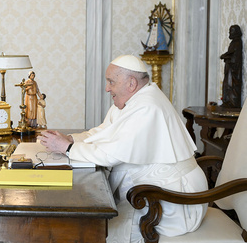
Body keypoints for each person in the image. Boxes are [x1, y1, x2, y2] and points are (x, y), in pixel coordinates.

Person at [38, 55, 208, 243]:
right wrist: (70, 139)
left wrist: (68, 148)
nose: (107, 88)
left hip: (174, 202)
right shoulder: (130, 102)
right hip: (154, 192)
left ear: (131, 83)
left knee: (97, 230)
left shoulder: (147, 107)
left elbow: (111, 154)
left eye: (111, 82)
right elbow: (102, 133)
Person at [220, 24, 243, 108]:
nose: (229, 33)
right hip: (230, 68)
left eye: (231, 31)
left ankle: (232, 103)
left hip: (233, 69)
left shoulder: (237, 42)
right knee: (227, 85)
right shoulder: (234, 42)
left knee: (231, 85)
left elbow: (232, 54)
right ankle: (226, 101)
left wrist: (224, 56)